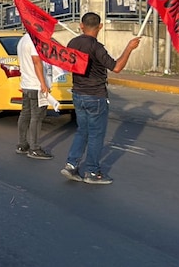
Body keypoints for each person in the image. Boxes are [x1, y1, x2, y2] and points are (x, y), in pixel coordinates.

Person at [60, 12, 140, 185]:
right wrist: (129, 48)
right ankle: (92, 171)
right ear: (100, 26)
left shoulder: (72, 43)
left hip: (78, 94)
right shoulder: (96, 47)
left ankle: (71, 164)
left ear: (81, 25)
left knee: (82, 131)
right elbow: (116, 67)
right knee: (96, 134)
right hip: (95, 96)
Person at [16, 32, 52, 159]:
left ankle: (22, 144)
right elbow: (37, 62)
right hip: (36, 85)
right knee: (37, 116)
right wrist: (43, 84)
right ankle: (34, 148)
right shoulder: (34, 41)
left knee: (25, 113)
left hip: (26, 83)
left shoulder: (23, 40)